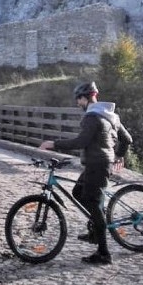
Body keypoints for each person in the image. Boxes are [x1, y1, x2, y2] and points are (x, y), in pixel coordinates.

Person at [39, 81, 132, 265]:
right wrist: (119, 155)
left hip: (97, 165)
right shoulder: (110, 115)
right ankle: (95, 231)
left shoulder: (92, 117)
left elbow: (81, 141)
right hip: (97, 164)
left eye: (78, 100)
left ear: (85, 98)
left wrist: (53, 144)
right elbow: (127, 139)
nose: (77, 104)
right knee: (78, 193)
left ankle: (104, 253)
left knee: (92, 203)